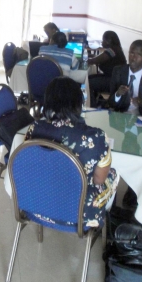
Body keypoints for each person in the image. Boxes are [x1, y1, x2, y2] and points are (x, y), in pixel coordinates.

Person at [25, 77, 119, 228]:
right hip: (78, 216)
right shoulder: (96, 137)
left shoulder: (34, 128)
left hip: (37, 206)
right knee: (113, 174)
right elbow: (99, 180)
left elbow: (31, 165)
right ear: (78, 104)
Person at [107, 40, 142, 116]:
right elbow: (111, 103)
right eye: (132, 53)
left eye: (139, 55)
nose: (133, 58)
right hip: (119, 118)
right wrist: (117, 94)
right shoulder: (118, 71)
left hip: (141, 120)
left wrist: (141, 103)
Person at [88, 31, 127, 106]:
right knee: (89, 78)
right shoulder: (116, 49)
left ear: (108, 41)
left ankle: (92, 105)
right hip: (113, 78)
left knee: (88, 83)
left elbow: (95, 60)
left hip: (113, 81)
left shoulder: (111, 51)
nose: (102, 42)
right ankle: (98, 100)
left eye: (103, 40)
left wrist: (86, 60)